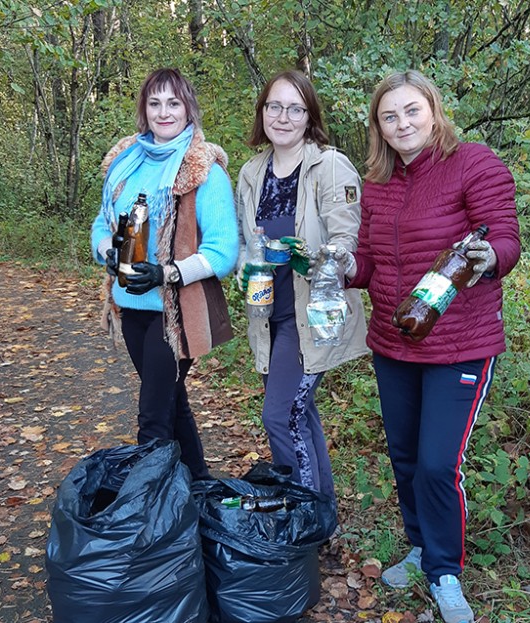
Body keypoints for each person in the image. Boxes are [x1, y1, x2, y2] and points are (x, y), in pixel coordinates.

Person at [337, 70, 521, 623]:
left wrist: (491, 259)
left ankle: (445, 572)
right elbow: (369, 263)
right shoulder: (378, 182)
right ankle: (420, 548)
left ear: (433, 110)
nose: (402, 124)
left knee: (439, 464)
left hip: (460, 343)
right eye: (389, 116)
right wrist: (348, 267)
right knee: (406, 457)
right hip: (395, 341)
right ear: (378, 126)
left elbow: (505, 238)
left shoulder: (473, 163)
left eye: (411, 111)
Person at [91, 68, 238, 480]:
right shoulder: (125, 162)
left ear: (188, 107)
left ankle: (150, 518)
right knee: (172, 403)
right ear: (144, 109)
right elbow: (103, 225)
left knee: (152, 417)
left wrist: (166, 273)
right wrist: (108, 252)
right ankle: (199, 488)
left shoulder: (203, 170)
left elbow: (223, 251)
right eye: (154, 103)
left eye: (173, 102)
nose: (164, 112)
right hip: (130, 306)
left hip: (175, 314)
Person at [236, 70, 369, 503]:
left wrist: (314, 254)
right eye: (274, 106)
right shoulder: (253, 171)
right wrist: (245, 265)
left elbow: (347, 242)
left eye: (295, 108)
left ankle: (304, 519)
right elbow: (244, 242)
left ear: (309, 115)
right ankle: (322, 516)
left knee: (279, 417)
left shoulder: (329, 165)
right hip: (268, 311)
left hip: (312, 311)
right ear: (262, 112)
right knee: (300, 414)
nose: (283, 116)